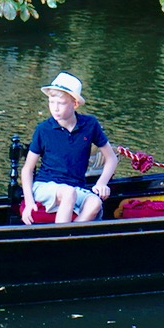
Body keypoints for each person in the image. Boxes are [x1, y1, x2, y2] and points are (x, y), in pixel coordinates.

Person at [20, 72, 119, 224]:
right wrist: (29, 202)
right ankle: (61, 238)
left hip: (75, 186)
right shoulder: (43, 129)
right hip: (45, 186)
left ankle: (68, 235)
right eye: (52, 102)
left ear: (75, 104)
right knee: (68, 193)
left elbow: (111, 158)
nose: (55, 108)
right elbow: (27, 169)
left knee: (95, 203)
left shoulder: (90, 124)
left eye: (61, 103)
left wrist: (101, 183)